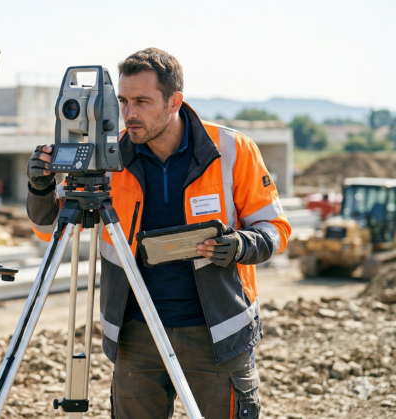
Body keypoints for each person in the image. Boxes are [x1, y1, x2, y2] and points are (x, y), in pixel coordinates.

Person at [26, 48, 291, 418]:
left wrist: (240, 245)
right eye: (123, 100)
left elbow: (275, 228)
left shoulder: (231, 150)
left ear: (174, 102)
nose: (129, 113)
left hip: (215, 331)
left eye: (142, 101)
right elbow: (50, 232)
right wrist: (40, 189)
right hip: (137, 336)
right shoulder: (108, 156)